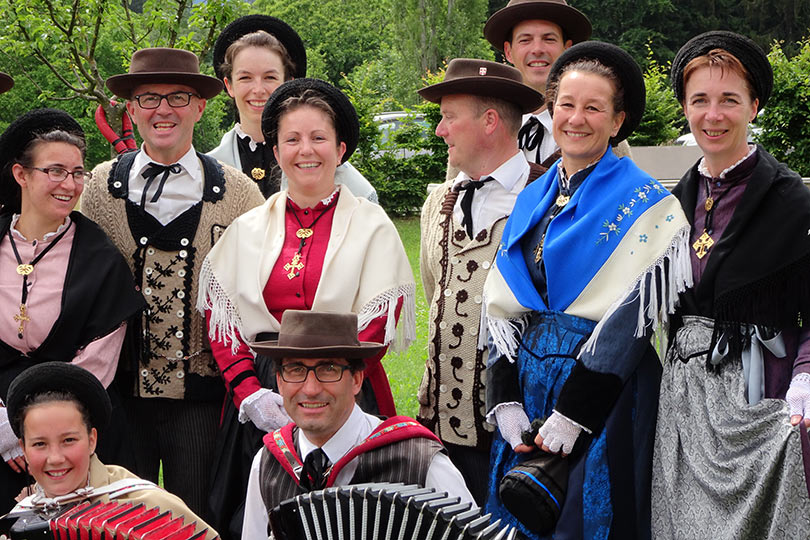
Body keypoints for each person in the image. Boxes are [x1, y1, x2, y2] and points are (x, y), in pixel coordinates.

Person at [483, 42, 692, 539]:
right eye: (567, 105)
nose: (577, 119)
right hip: (531, 390)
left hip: (602, 398)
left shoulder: (649, 206)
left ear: (617, 122)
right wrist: (506, 398)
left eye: (594, 108)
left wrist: (576, 412)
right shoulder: (533, 196)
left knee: (588, 517)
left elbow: (633, 321)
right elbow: (503, 303)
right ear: (552, 109)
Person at [197, 77, 415, 538]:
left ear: (340, 148)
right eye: (291, 139)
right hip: (260, 397)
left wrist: (320, 384)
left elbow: (375, 327)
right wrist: (251, 393)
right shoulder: (247, 228)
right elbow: (224, 324)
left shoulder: (373, 226)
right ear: (275, 151)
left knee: (352, 522)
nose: (305, 150)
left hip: (344, 385)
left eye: (318, 138)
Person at [80, 47, 265, 519]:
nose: (163, 110)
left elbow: (258, 292)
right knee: (118, 520)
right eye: (148, 98)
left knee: (200, 517)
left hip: (202, 401)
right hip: (116, 400)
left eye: (178, 97)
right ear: (131, 110)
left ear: (201, 106)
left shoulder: (239, 192)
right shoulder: (99, 188)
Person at [652, 31, 810, 539]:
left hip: (758, 396)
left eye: (729, 100)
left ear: (754, 106)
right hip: (681, 406)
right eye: (699, 100)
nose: (713, 115)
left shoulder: (792, 202)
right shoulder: (669, 208)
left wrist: (804, 387)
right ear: (683, 107)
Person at [0, 109, 144, 515]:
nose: (70, 184)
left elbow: (96, 364)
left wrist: (34, 433)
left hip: (72, 439)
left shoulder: (101, 259)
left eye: (78, 173)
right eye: (56, 171)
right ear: (21, 175)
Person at [416, 58, 544, 505]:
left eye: (449, 117)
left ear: (490, 121)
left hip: (519, 433)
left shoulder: (548, 200)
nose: (440, 130)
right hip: (441, 428)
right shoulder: (438, 202)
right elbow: (437, 294)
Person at [241, 310, 474, 539]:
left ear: (356, 380)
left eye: (328, 369)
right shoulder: (267, 464)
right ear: (280, 382)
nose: (310, 389)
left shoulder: (420, 461)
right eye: (296, 369)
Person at [2, 362, 218, 539]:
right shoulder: (19, 518)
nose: (56, 458)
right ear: (23, 449)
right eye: (40, 444)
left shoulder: (147, 506)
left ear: (92, 440)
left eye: (69, 440)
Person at [208, 15, 378, 202]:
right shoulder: (208, 171)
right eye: (245, 78)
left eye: (270, 77)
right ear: (229, 85)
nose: (258, 90)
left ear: (289, 83)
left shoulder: (346, 182)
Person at [483, 0, 591, 170]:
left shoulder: (598, 127)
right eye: (525, 40)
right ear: (508, 52)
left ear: (567, 49)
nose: (537, 49)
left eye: (549, 39)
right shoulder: (481, 128)